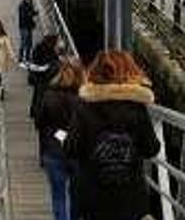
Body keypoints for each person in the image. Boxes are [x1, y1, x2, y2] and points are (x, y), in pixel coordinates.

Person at [66, 51, 160, 220]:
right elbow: (151, 149)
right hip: (130, 198)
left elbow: (71, 148)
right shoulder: (137, 109)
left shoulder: (84, 107)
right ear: (130, 73)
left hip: (93, 197)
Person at [34, 59, 84, 220]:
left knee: (58, 196)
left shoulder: (49, 95)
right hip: (78, 152)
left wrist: (54, 131)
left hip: (54, 150)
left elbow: (39, 122)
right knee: (77, 197)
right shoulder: (84, 99)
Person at [28, 33, 62, 118]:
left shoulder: (48, 48)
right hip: (40, 74)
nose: (55, 44)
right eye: (55, 42)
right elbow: (38, 62)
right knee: (40, 93)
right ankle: (38, 112)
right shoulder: (41, 48)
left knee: (38, 93)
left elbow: (54, 60)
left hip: (42, 74)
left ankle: (34, 111)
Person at [18, 0, 39, 65]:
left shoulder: (30, 4)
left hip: (29, 27)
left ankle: (27, 57)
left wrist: (35, 13)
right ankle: (20, 58)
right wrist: (31, 14)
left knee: (30, 43)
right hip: (24, 27)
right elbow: (24, 16)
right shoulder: (22, 6)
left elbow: (31, 13)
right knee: (24, 43)